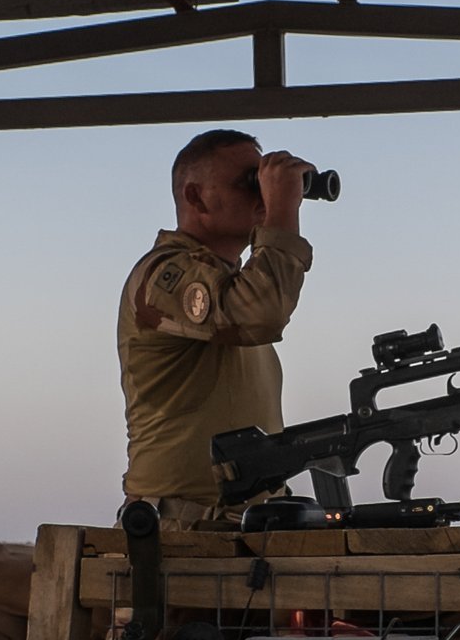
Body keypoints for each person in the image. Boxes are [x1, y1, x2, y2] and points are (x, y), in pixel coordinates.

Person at [116, 130, 315, 524]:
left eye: (264, 183)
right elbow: (261, 312)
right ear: (195, 196)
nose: (261, 196)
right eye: (249, 183)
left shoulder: (233, 292)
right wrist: (282, 212)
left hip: (246, 528)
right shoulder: (161, 276)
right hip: (182, 533)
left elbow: (253, 305)